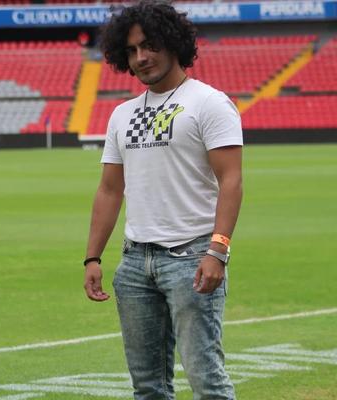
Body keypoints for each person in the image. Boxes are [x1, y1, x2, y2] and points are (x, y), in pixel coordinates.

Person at [83, 1, 243, 399]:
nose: (141, 57)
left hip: (192, 258)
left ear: (173, 44)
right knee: (148, 387)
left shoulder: (208, 102)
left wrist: (218, 251)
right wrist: (92, 258)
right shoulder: (122, 114)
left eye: (150, 45)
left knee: (206, 380)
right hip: (135, 263)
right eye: (132, 50)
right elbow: (109, 190)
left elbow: (231, 180)